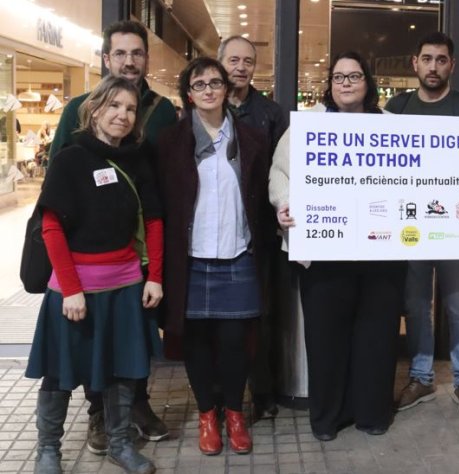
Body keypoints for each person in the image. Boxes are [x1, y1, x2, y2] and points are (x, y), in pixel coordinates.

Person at [49, 20, 178, 453]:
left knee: (134, 335)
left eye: (136, 53)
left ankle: (135, 406)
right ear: (106, 59)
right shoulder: (79, 107)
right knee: (95, 338)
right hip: (88, 253)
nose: (129, 61)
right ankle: (98, 415)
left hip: (138, 249)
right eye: (120, 53)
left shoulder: (162, 110)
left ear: (146, 59)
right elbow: (60, 175)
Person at [26, 76, 163, 474]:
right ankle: (48, 451)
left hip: (125, 287)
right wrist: (71, 289)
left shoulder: (138, 158)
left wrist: (155, 276)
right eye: (114, 105)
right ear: (95, 109)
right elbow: (51, 227)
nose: (123, 114)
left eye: (131, 108)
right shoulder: (70, 158)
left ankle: (120, 444)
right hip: (74, 290)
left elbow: (154, 221)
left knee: (123, 370)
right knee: (59, 372)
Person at [269, 51, 406, 441]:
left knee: (377, 335)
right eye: (339, 77)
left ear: (368, 82)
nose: (346, 83)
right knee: (326, 338)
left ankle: (372, 413)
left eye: (354, 76)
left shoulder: (393, 127)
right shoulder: (306, 127)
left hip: (381, 253)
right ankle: (328, 417)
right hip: (325, 253)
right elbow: (279, 174)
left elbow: (429, 166)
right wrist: (284, 205)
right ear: (329, 85)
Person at [154, 57, 274, 455]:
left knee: (236, 342)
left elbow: (263, 198)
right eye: (199, 84)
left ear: (226, 89)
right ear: (189, 94)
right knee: (197, 343)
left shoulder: (252, 139)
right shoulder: (170, 142)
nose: (208, 90)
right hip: (190, 258)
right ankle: (207, 414)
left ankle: (234, 414)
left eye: (215, 82)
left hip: (239, 253)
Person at [386, 32, 459, 419]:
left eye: (441, 60)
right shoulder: (397, 108)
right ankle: (421, 377)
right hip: (410, 225)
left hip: (456, 226)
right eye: (426, 59)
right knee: (415, 306)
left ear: (452, 65)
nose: (433, 66)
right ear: (415, 63)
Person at [218, 35, 295, 418]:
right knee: (220, 317)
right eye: (234, 60)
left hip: (262, 232)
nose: (241, 67)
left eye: (248, 61)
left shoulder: (271, 113)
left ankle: (263, 393)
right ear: (220, 62)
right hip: (217, 230)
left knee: (262, 315)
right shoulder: (207, 109)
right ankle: (222, 395)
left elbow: (285, 169)